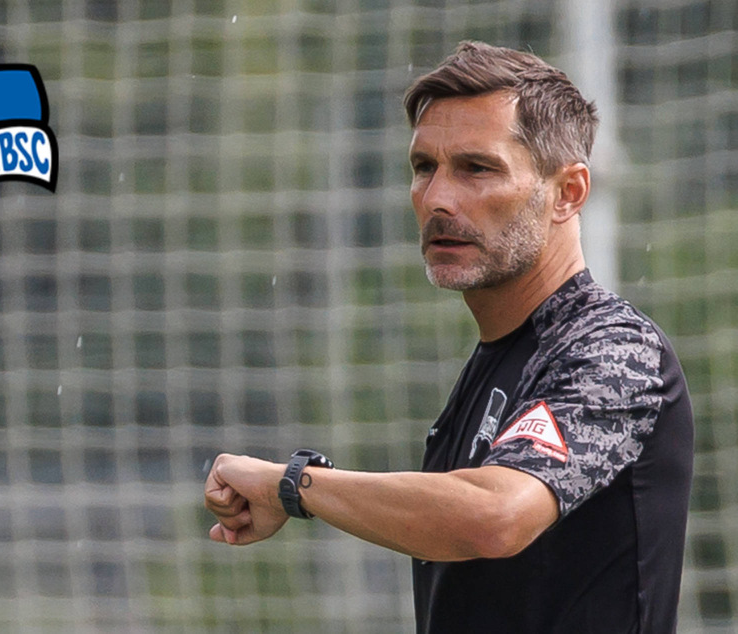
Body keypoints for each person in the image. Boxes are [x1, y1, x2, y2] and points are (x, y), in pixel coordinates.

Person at [203, 41, 693, 634]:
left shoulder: (612, 348)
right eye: (423, 168)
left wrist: (296, 485)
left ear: (568, 192)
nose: (437, 198)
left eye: (476, 168)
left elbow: (494, 516)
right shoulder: (497, 359)